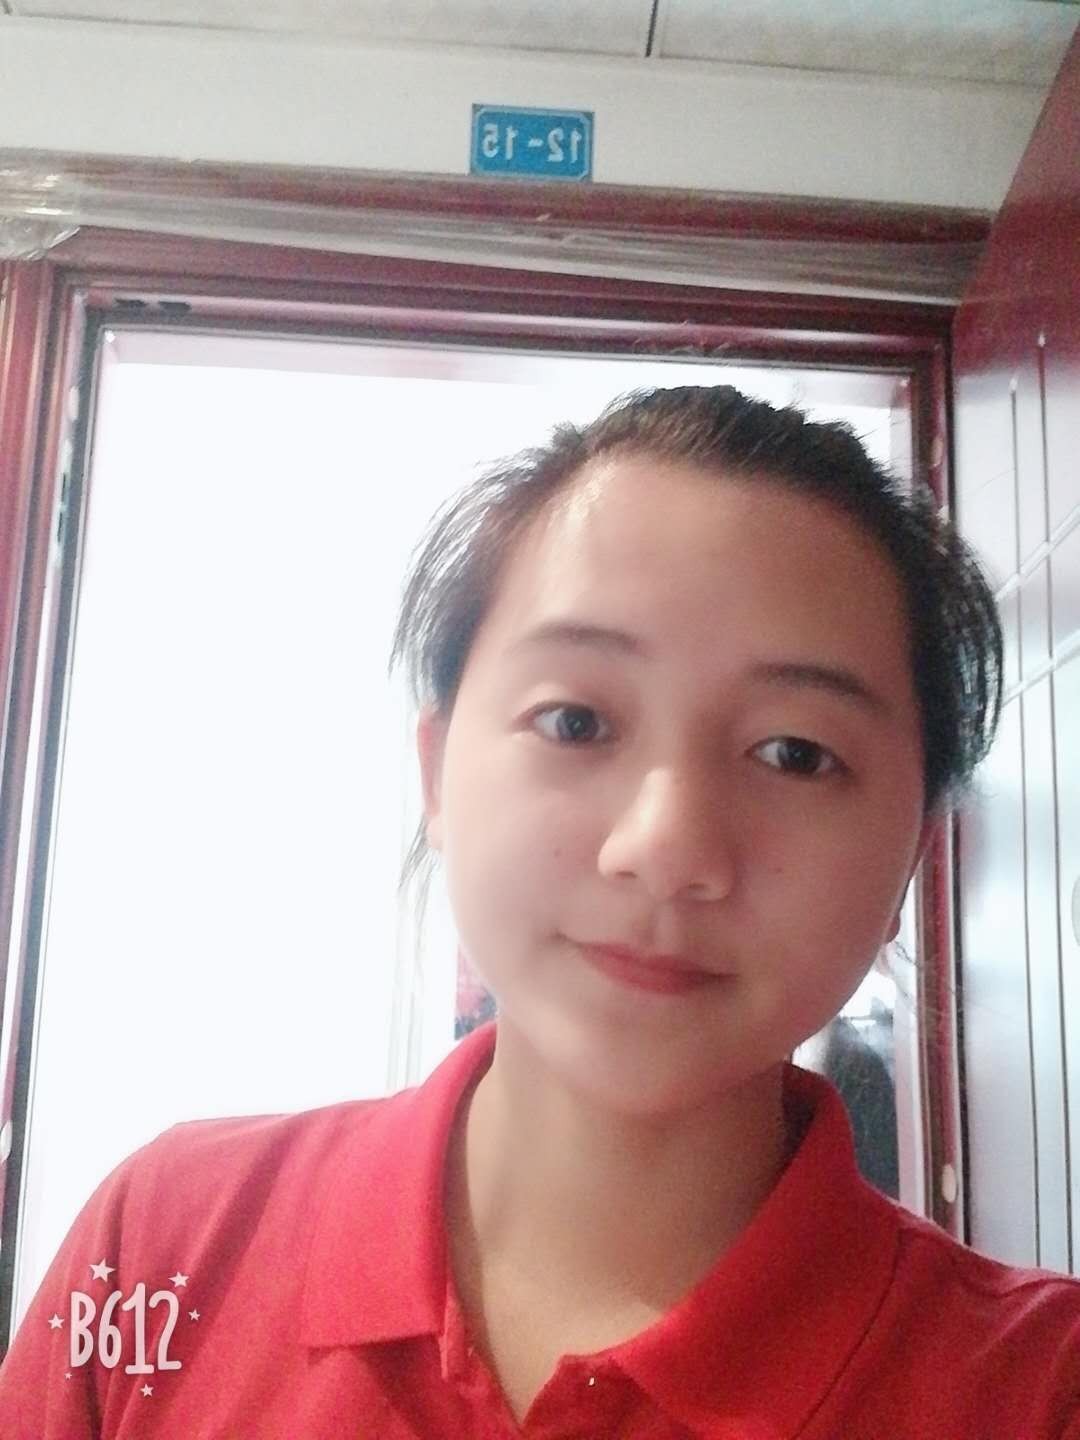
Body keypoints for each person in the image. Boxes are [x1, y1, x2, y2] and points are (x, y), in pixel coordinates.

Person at [2, 384, 1078, 1437]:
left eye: (795, 753)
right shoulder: (164, 1250)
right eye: (574, 721)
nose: (665, 848)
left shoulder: (1039, 1389)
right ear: (436, 772)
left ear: (912, 860)